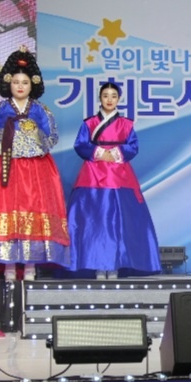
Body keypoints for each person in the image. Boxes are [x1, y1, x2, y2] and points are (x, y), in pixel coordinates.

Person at [0, 47, 70, 280]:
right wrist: (8, 142)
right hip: (3, 164)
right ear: (8, 83)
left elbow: (52, 136)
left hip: (35, 167)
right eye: (16, 82)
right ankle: (8, 265)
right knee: (5, 209)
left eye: (25, 83)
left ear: (32, 85)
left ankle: (30, 266)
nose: (20, 86)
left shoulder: (40, 110)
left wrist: (32, 137)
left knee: (33, 210)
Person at [66, 81, 161, 279]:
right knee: (94, 220)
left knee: (120, 221)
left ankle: (116, 264)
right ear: (100, 98)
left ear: (119, 99)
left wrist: (116, 153)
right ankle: (97, 265)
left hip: (119, 173)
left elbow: (133, 146)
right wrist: (100, 152)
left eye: (113, 96)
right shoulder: (89, 123)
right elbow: (80, 145)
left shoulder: (126, 124)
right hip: (93, 172)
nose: (109, 100)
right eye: (105, 96)